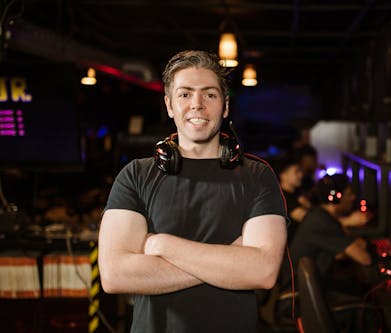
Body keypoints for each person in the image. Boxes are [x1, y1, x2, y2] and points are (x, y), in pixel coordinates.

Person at [98, 50, 287, 333]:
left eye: (209, 95)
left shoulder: (258, 176)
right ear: (169, 105)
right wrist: (229, 262)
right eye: (185, 94)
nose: (197, 105)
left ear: (224, 106)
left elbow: (263, 272)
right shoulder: (136, 175)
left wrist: (162, 245)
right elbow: (115, 275)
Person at [279, 174, 372, 296]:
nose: (353, 198)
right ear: (335, 197)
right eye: (349, 194)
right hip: (298, 297)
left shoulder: (319, 215)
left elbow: (339, 253)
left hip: (306, 288)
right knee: (365, 291)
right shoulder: (322, 222)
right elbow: (366, 259)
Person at [273, 153, 311, 240]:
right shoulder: (282, 197)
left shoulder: (297, 195)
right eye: (297, 171)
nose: (301, 175)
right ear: (283, 174)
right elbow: (306, 219)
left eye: (301, 171)